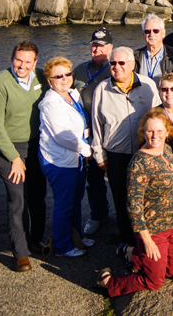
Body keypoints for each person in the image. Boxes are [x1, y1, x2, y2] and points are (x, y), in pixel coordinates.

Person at [96, 109, 173, 296]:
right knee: (154, 281)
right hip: (154, 232)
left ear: (167, 132)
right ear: (143, 132)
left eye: (159, 131)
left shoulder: (167, 151)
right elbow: (134, 206)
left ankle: (131, 253)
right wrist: (147, 240)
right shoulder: (139, 163)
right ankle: (108, 282)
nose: (155, 136)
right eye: (150, 131)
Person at [0, 41, 48, 272]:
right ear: (12, 58)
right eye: (18, 60)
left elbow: (64, 86)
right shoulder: (0, 82)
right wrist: (14, 158)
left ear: (35, 62)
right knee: (18, 199)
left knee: (38, 196)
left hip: (35, 146)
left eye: (27, 61)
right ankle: (20, 253)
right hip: (8, 148)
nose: (22, 65)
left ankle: (35, 240)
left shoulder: (41, 78)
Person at [92, 47, 161, 247]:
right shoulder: (102, 89)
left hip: (144, 152)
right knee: (121, 199)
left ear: (132, 65)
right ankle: (126, 242)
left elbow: (157, 118)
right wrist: (99, 154)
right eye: (113, 63)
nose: (117, 67)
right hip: (116, 154)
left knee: (145, 198)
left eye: (122, 63)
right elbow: (96, 124)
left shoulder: (147, 85)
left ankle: (147, 239)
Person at [38, 57, 94, 258]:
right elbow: (64, 136)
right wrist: (87, 150)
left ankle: (76, 236)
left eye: (67, 74)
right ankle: (62, 246)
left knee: (76, 200)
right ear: (49, 81)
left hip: (76, 158)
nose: (64, 79)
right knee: (64, 205)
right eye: (58, 76)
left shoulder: (72, 94)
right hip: (59, 160)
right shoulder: (50, 104)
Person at [72, 28, 113, 237]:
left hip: (112, 134)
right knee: (94, 180)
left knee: (117, 178)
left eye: (102, 46)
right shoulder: (78, 70)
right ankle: (99, 214)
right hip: (88, 135)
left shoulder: (116, 68)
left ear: (110, 48)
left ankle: (126, 217)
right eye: (94, 46)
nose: (97, 49)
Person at [134, 14, 173, 86]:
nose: (151, 34)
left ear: (163, 33)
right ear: (143, 34)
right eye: (147, 31)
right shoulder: (135, 57)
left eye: (156, 31)